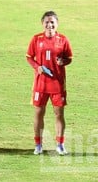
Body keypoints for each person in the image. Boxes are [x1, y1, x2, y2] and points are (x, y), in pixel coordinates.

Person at [26, 11, 73, 156]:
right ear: (42, 23)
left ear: (57, 24)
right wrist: (37, 67)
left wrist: (63, 61)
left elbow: (69, 58)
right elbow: (29, 57)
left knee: (59, 114)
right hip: (41, 84)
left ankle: (60, 144)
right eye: (47, 22)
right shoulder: (36, 39)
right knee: (39, 113)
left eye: (52, 22)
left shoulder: (63, 40)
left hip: (57, 84)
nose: (49, 25)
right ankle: (38, 144)